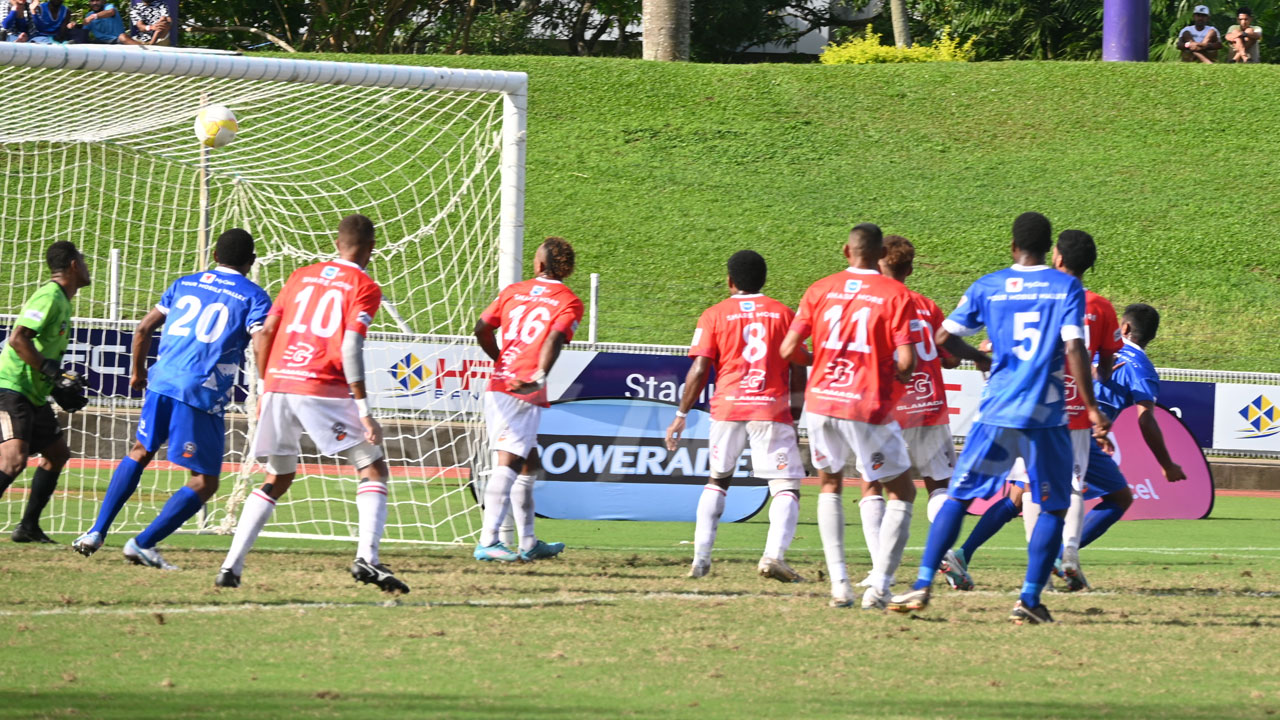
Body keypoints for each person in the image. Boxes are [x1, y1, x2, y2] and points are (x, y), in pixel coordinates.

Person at [887, 212, 1110, 625]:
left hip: (997, 413)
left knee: (959, 495)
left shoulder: (988, 286)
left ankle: (921, 583)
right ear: (1052, 251)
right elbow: (1075, 347)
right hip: (1045, 417)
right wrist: (1093, 408)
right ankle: (1028, 598)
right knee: (1053, 505)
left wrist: (981, 357)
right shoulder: (1066, 287)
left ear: (1013, 246)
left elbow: (943, 339)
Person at [217, 214, 408, 594]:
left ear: (337, 243)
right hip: (321, 384)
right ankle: (367, 559)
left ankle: (230, 566)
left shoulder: (300, 275)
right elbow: (351, 345)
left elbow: (267, 332)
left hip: (278, 384)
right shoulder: (364, 285)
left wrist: (263, 388)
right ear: (370, 249)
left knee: (278, 477)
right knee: (371, 466)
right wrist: (364, 410)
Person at [72, 229, 272, 568]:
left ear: (214, 257)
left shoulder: (184, 283)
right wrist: (266, 384)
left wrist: (138, 372)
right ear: (251, 262)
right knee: (205, 481)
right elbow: (261, 337)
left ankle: (95, 531)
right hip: (201, 392)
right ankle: (143, 543)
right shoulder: (254, 296)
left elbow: (143, 328)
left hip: (162, 381)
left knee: (140, 450)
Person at [941, 229, 1122, 593]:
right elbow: (1106, 363)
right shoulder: (1098, 306)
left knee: (1024, 493)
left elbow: (993, 343)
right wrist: (1095, 406)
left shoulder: (1033, 294)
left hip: (1025, 406)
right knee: (1057, 490)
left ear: (1057, 258)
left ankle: (964, 556)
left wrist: (985, 352)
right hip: (1063, 415)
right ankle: (1057, 562)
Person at [779, 223, 919, 610]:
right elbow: (906, 360)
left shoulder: (819, 289)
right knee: (902, 491)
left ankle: (839, 585)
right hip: (866, 403)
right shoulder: (895, 293)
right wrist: (897, 372)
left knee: (829, 484)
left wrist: (818, 359)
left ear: (846, 251)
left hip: (822, 400)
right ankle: (881, 586)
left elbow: (789, 348)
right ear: (879, 256)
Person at [664, 250, 807, 582]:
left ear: (730, 281)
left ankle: (700, 560)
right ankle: (774, 557)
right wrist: (795, 415)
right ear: (764, 280)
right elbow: (798, 368)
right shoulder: (784, 314)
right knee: (786, 486)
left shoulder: (714, 314)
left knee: (718, 480)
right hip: (769, 409)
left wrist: (681, 413)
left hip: (727, 408)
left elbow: (699, 369)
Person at [852, 235, 958, 591]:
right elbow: (952, 357)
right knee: (938, 487)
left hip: (886, 410)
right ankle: (947, 553)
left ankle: (880, 568)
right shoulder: (928, 306)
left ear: (878, 262)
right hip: (929, 408)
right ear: (910, 269)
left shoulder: (872, 303)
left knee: (871, 486)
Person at [472, 237, 583, 563]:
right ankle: (488, 540)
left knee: (528, 463)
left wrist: (501, 361)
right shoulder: (569, 301)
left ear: (538, 265)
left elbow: (481, 329)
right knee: (507, 463)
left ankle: (529, 542)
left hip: (502, 383)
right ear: (568, 270)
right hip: (523, 389)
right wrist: (538, 374)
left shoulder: (513, 291)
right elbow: (554, 338)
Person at [0, 240, 91, 543]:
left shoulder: (63, 300)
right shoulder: (50, 296)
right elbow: (17, 339)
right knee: (13, 460)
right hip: (11, 388)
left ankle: (28, 528)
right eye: (83, 260)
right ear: (74, 266)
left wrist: (55, 383)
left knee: (57, 453)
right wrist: (52, 372)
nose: (88, 266)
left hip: (33, 392)